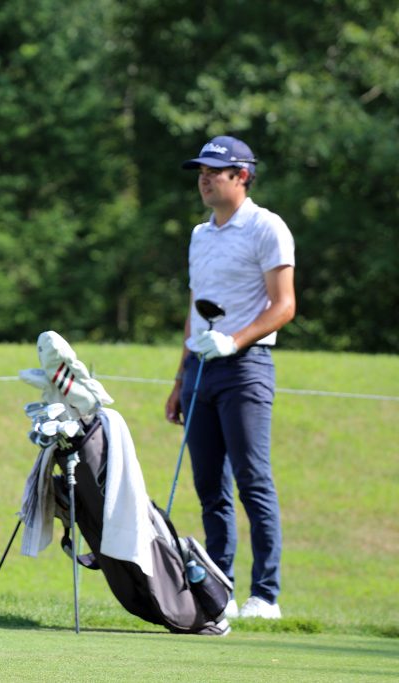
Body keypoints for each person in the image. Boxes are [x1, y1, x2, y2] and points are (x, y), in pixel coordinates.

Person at [164, 135, 295, 621]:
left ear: (242, 176)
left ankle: (266, 595)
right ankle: (221, 591)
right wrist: (180, 379)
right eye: (200, 172)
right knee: (209, 485)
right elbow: (193, 311)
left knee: (252, 479)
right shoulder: (201, 234)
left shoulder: (267, 228)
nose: (203, 179)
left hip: (246, 367)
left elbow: (284, 305)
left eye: (213, 172)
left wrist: (234, 340)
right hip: (201, 368)